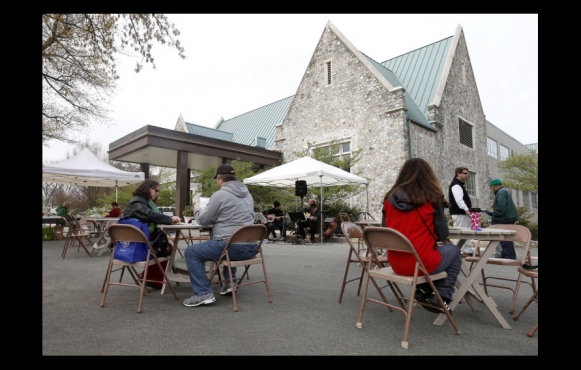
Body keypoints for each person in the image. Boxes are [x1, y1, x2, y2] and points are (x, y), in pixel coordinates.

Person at [382, 158, 461, 314]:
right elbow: (442, 234)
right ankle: (442, 295)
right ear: (428, 176)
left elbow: (385, 231)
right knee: (454, 251)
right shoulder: (432, 198)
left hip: (396, 263)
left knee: (427, 252)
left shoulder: (388, 200)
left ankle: (424, 290)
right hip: (422, 264)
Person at [183, 164, 256, 307]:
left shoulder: (220, 195)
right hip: (252, 247)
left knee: (191, 252)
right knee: (228, 241)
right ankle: (229, 283)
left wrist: (197, 210)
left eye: (217, 180)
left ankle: (203, 293)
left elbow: (204, 220)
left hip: (232, 248)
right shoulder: (248, 195)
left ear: (221, 179)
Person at [122, 179, 181, 288]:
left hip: (133, 241)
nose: (157, 193)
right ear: (147, 188)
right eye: (156, 190)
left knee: (165, 246)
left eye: (158, 191)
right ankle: (151, 278)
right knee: (165, 247)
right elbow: (150, 215)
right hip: (134, 245)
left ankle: (150, 277)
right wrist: (170, 219)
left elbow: (151, 215)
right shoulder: (137, 202)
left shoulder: (142, 201)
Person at [484, 178, 518, 259]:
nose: (491, 189)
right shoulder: (503, 191)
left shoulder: (500, 193)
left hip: (505, 219)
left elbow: (501, 208)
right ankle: (506, 254)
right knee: (506, 238)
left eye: (491, 187)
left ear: (494, 186)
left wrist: (493, 214)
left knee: (505, 238)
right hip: (508, 217)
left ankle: (509, 256)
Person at [448, 167, 475, 255]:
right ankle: (457, 251)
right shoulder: (456, 185)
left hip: (460, 213)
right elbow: (459, 199)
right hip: (459, 213)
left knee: (465, 232)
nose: (467, 175)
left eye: (467, 173)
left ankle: (467, 250)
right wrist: (466, 209)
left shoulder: (458, 184)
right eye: (465, 173)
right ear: (458, 174)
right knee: (460, 233)